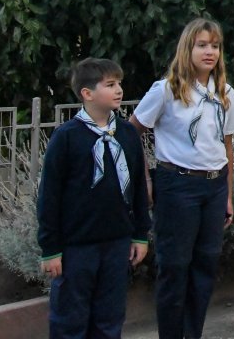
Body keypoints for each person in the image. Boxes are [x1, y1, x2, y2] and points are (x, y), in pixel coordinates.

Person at [131, 18, 234, 339]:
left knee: (205, 266)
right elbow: (132, 130)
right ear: (188, 48)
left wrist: (229, 195)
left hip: (214, 186)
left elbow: (228, 145)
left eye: (215, 46)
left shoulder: (225, 93)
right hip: (177, 186)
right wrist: (146, 181)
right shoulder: (167, 90)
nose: (210, 52)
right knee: (175, 267)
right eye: (202, 45)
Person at [37, 58, 151, 339]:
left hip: (116, 243)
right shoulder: (67, 137)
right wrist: (51, 248)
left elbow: (137, 186)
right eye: (110, 85)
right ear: (87, 94)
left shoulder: (126, 133)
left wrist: (140, 235)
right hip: (76, 247)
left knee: (109, 317)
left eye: (120, 84)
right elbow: (49, 195)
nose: (119, 90)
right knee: (70, 319)